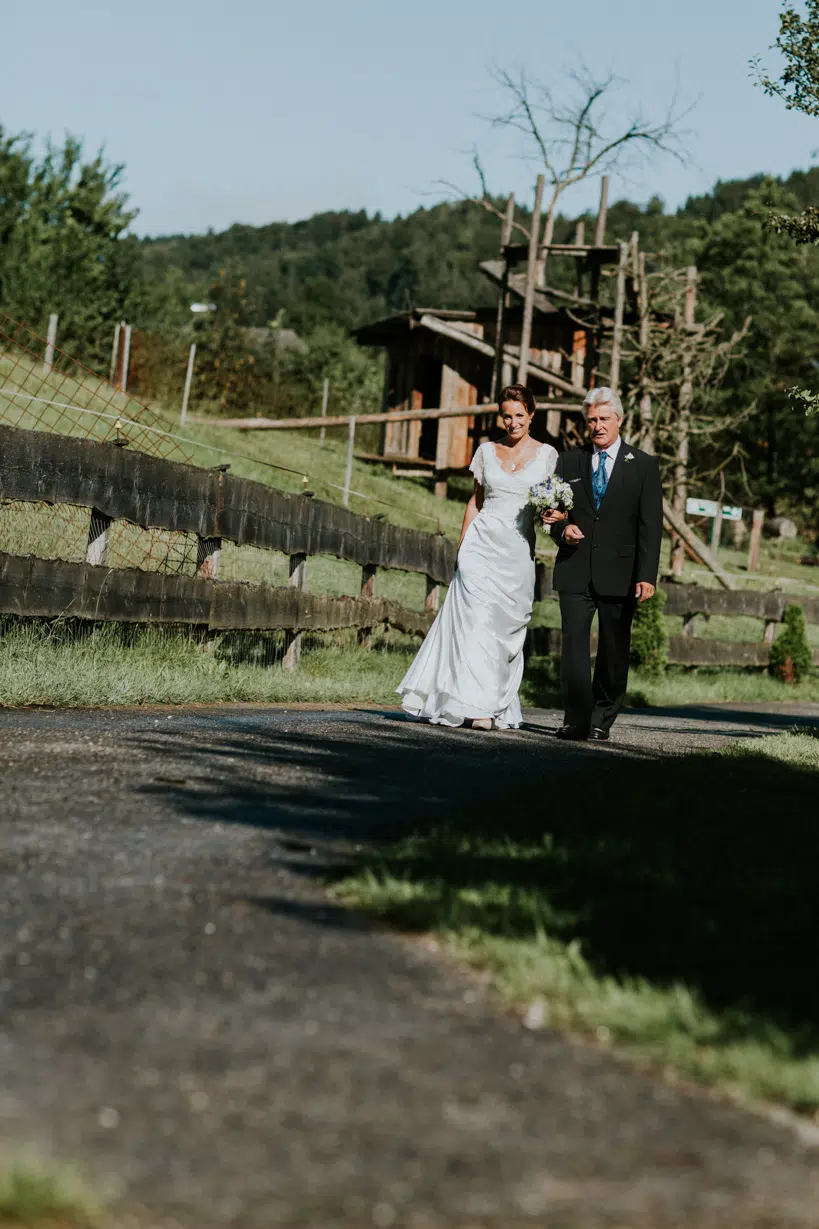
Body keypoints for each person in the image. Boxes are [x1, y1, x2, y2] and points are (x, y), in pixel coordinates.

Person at [398, 384, 558, 730]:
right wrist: (462, 545)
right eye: (506, 415)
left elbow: (549, 505)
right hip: (480, 546)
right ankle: (472, 706)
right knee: (475, 622)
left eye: (519, 415)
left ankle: (490, 701)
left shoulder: (547, 455)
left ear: (532, 414)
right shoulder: (486, 452)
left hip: (516, 553)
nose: (512, 422)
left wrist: (552, 517)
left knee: (501, 630)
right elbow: (476, 501)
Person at [547, 387, 663, 742]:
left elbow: (650, 525)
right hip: (575, 568)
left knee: (613, 650)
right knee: (574, 651)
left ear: (619, 420)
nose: (597, 426)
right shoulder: (569, 461)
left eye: (603, 419)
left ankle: (602, 717)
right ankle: (575, 718)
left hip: (621, 573)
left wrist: (646, 575)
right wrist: (562, 530)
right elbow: (552, 514)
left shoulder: (643, 465)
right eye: (592, 420)